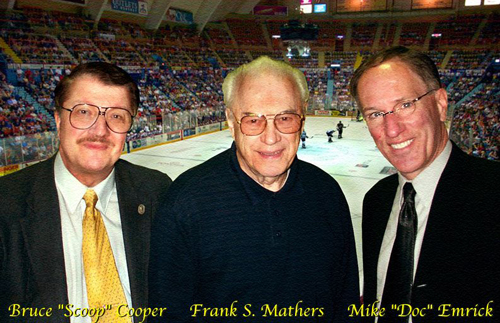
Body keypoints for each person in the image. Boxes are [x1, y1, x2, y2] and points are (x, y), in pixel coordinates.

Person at [149, 56, 360, 322]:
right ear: (230, 119)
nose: (270, 138)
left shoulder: (327, 192)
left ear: (303, 117)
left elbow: (345, 299)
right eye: (252, 120)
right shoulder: (186, 203)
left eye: (285, 118)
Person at [0, 62, 172, 322]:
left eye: (116, 116)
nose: (100, 130)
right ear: (58, 119)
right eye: (83, 112)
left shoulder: (157, 191)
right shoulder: (6, 204)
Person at [350, 46, 499, 322]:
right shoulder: (376, 201)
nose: (392, 129)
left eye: (405, 105)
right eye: (375, 114)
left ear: (441, 104)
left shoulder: (493, 196)